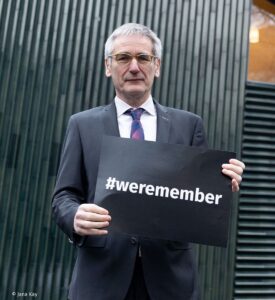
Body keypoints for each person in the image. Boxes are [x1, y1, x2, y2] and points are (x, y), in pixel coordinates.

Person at [52, 23, 245, 300]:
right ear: (108, 66)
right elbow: (64, 196)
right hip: (101, 279)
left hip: (170, 282)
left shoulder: (189, 125)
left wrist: (222, 184)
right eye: (123, 58)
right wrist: (75, 217)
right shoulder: (82, 125)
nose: (134, 67)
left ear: (157, 66)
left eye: (143, 58)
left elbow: (198, 200)